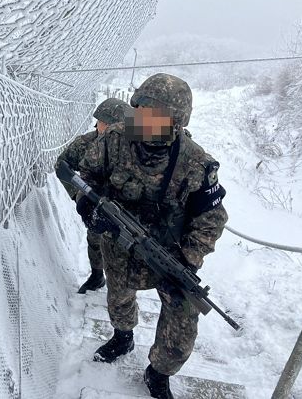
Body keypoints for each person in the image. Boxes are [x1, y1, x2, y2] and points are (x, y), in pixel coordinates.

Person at [76, 74, 228, 399]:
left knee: (182, 330)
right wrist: (90, 209)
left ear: (176, 121)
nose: (144, 120)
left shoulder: (196, 162)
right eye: (141, 110)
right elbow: (86, 176)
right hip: (119, 246)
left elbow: (211, 219)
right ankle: (123, 337)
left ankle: (158, 372)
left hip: (171, 255)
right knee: (118, 301)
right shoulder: (115, 138)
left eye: (154, 115)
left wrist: (188, 259)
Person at [56, 97, 130, 294]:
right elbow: (62, 165)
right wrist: (78, 195)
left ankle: (122, 290)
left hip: (124, 209)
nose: (102, 127)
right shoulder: (86, 143)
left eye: (109, 124)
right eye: (100, 122)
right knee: (95, 239)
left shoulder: (131, 147)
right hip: (97, 205)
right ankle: (97, 275)